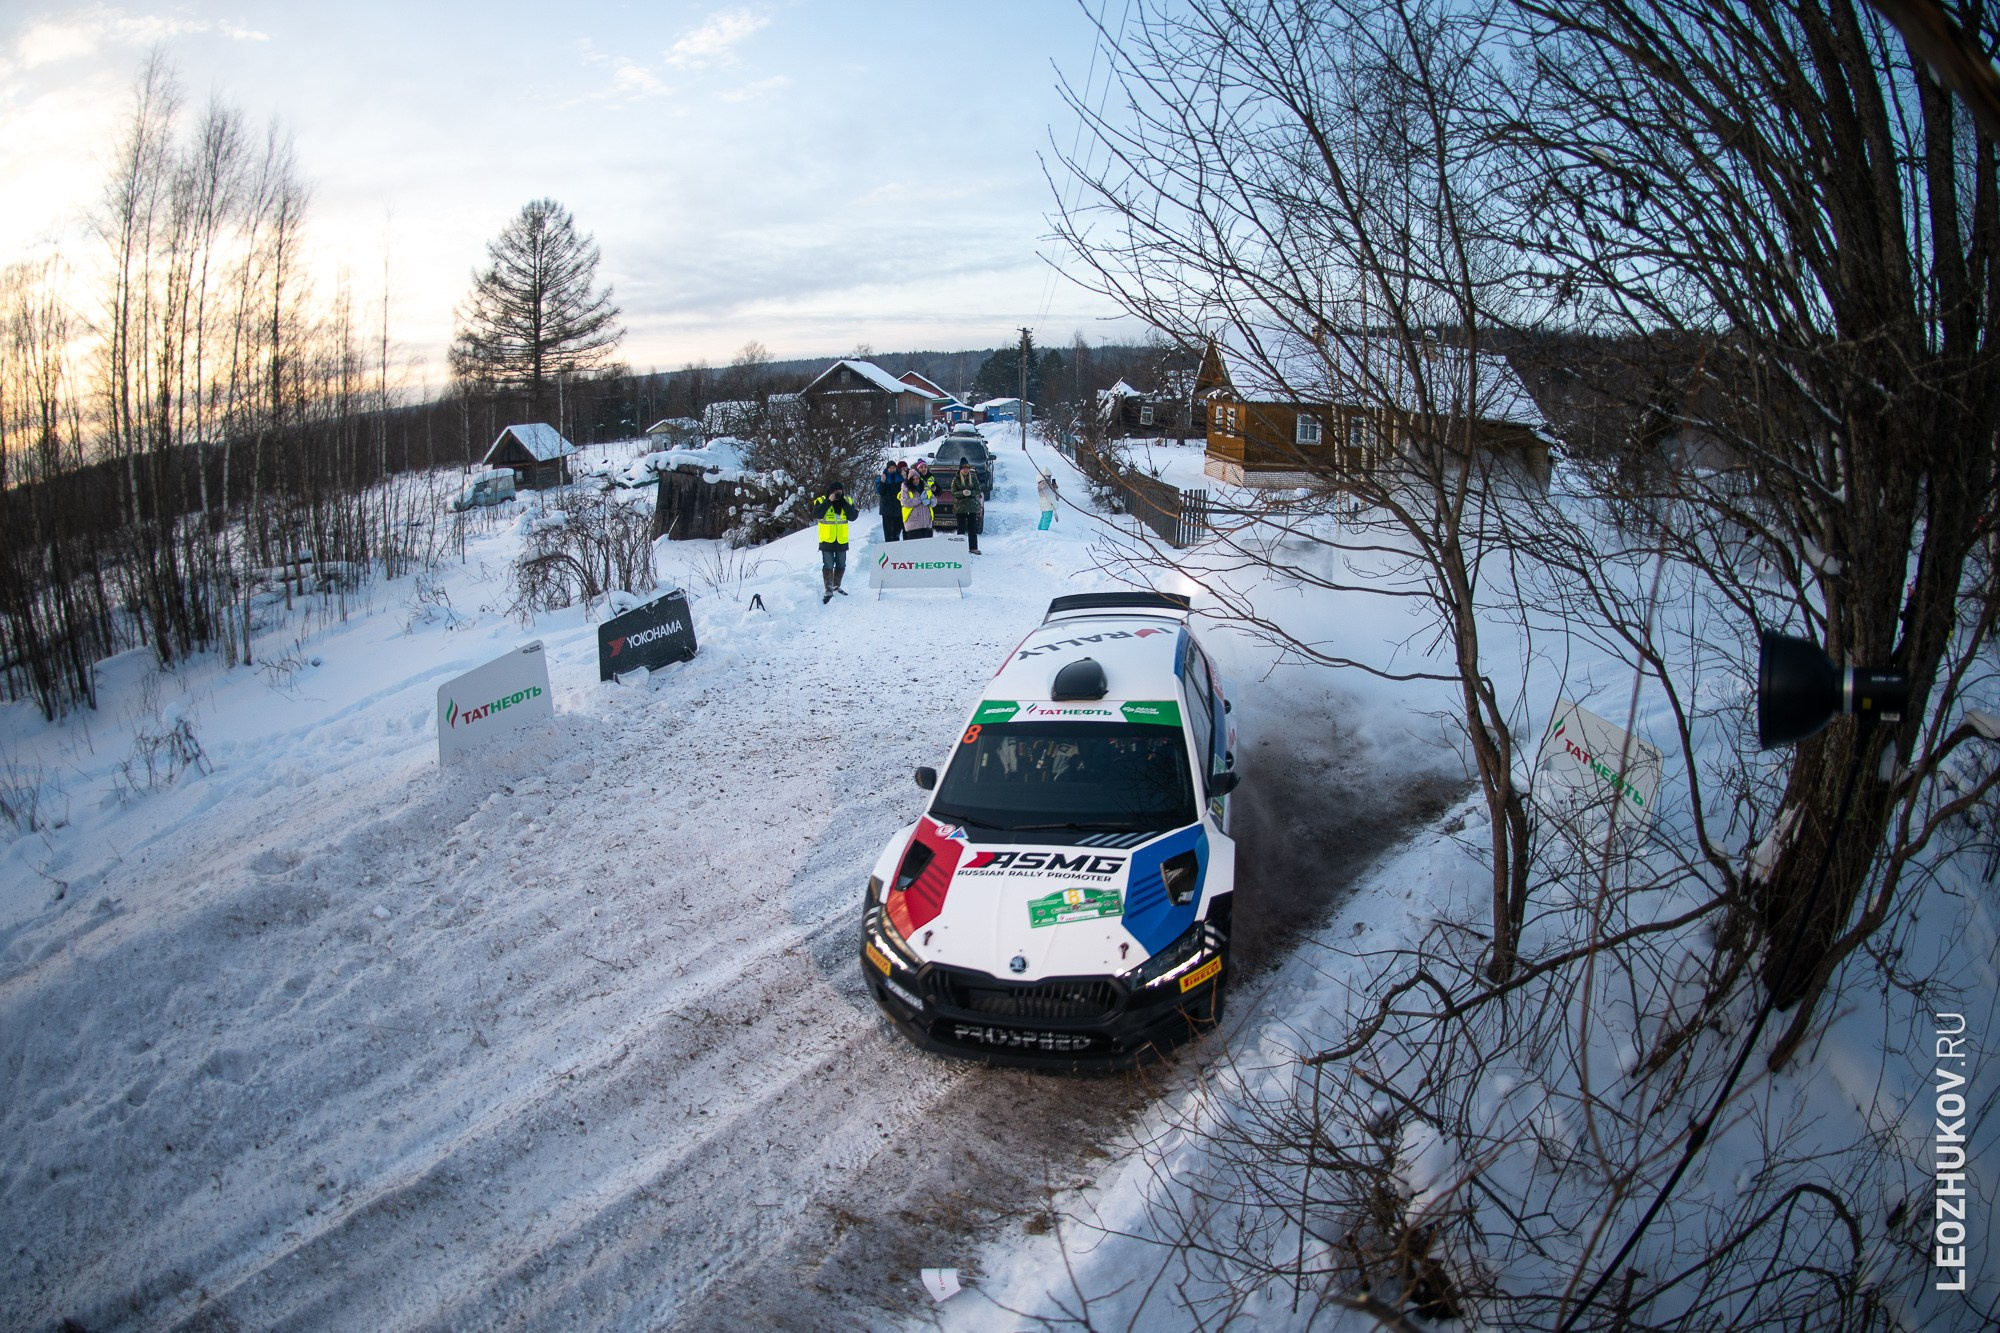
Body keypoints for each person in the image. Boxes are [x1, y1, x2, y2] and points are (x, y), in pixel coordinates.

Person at [812, 482, 860, 603]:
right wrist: (829, 501)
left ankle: (836, 586)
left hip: (841, 539)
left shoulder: (847, 500)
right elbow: (817, 514)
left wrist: (844, 503)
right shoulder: (821, 500)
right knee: (828, 565)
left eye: (840, 491)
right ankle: (828, 589)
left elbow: (853, 516)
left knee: (841, 565)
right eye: (836, 491)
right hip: (827, 539)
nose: (838, 493)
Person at [951, 460, 984, 554]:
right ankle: (959, 548)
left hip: (971, 507)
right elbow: (953, 493)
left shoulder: (973, 479)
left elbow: (978, 490)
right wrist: (962, 493)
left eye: (967, 468)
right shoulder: (956, 480)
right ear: (960, 469)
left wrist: (971, 493)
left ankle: (973, 547)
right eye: (964, 468)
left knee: (972, 528)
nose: (965, 470)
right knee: (961, 529)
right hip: (960, 508)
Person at [900, 462, 936, 540]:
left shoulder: (925, 486)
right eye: (913, 479)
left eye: (917, 478)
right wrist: (920, 499)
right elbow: (906, 502)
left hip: (926, 523)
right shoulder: (905, 488)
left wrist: (929, 502)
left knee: (927, 549)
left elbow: (934, 500)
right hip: (913, 525)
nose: (915, 481)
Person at [875, 461, 905, 542]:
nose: (892, 469)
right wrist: (882, 482)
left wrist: (905, 478)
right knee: (888, 534)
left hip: (898, 509)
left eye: (893, 468)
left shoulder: (900, 476)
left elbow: (906, 490)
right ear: (887, 468)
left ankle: (896, 549)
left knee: (897, 533)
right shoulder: (882, 477)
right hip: (886, 510)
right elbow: (880, 492)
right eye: (890, 468)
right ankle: (889, 550)